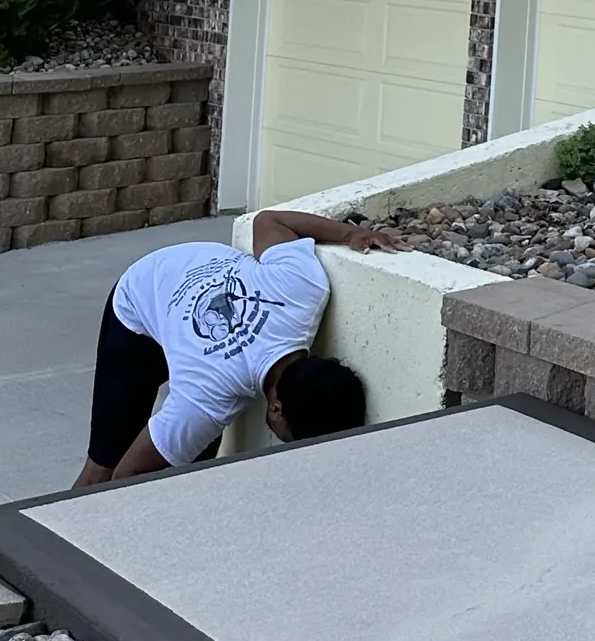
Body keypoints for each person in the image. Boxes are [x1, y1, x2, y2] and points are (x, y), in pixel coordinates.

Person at [72, 206, 401, 487]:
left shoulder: (303, 290)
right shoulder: (206, 398)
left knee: (193, 465)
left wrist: (349, 234)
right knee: (105, 464)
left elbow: (270, 221)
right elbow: (126, 479)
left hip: (191, 281)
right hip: (142, 300)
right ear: (276, 409)